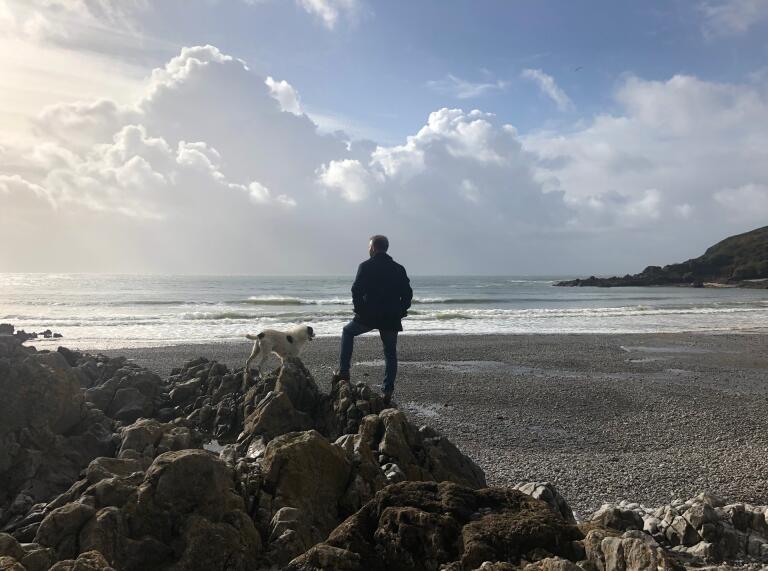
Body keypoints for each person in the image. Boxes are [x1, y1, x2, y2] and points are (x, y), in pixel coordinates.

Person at [334, 235, 412, 405]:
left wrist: (360, 310)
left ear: (374, 248)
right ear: (386, 248)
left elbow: (356, 290)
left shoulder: (366, 266)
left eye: (369, 247)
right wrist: (401, 311)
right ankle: (387, 390)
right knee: (390, 354)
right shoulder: (398, 268)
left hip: (368, 316)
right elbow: (408, 294)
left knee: (347, 332)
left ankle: (344, 371)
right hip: (391, 317)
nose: (368, 249)